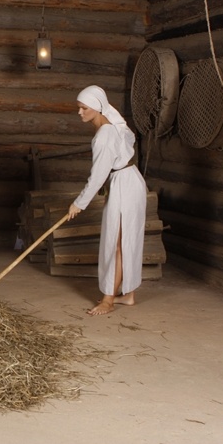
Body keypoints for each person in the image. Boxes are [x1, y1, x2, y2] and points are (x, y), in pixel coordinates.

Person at [67, 86, 147, 316]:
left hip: (125, 186)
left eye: (84, 108)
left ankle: (108, 301)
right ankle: (128, 295)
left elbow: (98, 175)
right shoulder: (111, 126)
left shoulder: (104, 136)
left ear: (97, 108)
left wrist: (79, 203)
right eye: (79, 108)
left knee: (117, 243)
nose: (80, 112)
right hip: (128, 181)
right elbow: (126, 138)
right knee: (123, 240)